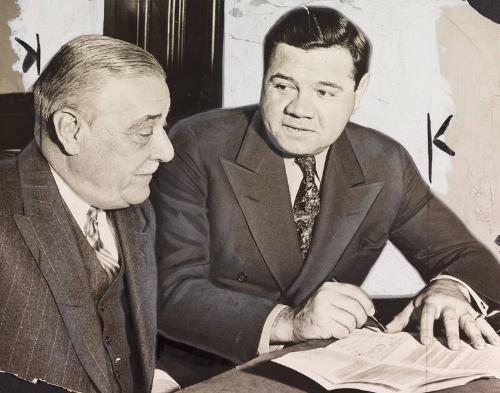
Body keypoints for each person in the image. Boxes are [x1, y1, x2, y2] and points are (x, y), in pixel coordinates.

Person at [151, 5, 500, 382]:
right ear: (264, 78)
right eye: (282, 85)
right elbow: (170, 289)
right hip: (210, 371)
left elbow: (466, 255)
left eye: (325, 91)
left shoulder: (383, 160)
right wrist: (289, 321)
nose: (299, 109)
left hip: (329, 370)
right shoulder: (197, 144)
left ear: (359, 91)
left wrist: (449, 287)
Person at [0, 35, 177, 393]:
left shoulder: (134, 206)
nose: (167, 150)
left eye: (164, 126)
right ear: (70, 131)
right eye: (144, 131)